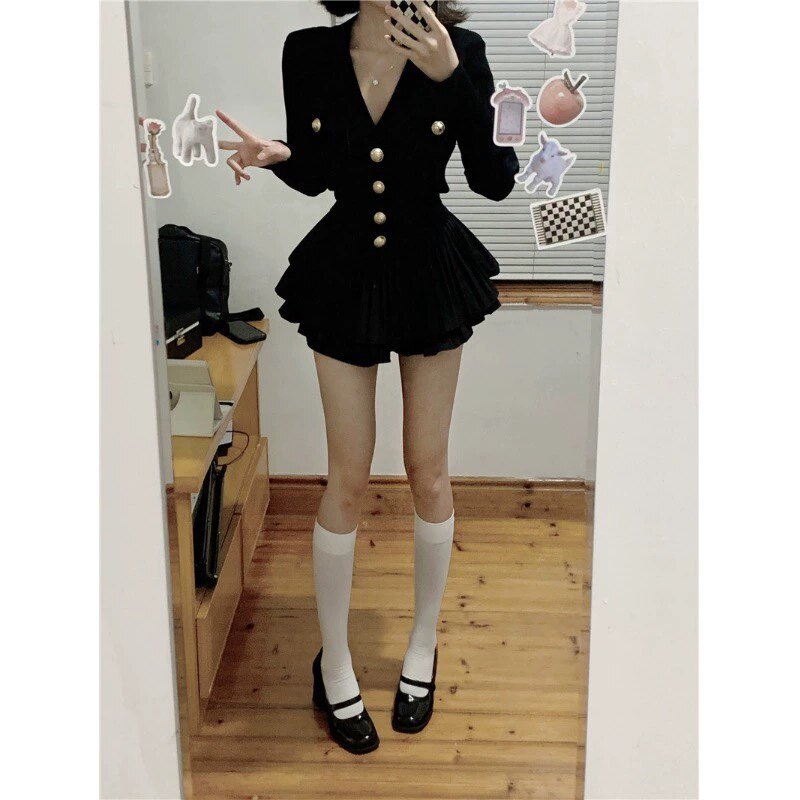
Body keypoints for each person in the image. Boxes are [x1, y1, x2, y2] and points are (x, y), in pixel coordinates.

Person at [216, 0, 518, 754]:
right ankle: (335, 660)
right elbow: (320, 174)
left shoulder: (462, 49)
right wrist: (279, 156)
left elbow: (494, 182)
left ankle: (422, 642)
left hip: (429, 269)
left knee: (428, 468)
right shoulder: (308, 50)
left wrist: (454, 80)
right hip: (344, 271)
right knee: (347, 476)